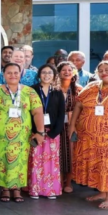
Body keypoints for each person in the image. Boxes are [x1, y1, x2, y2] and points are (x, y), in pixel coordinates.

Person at [68, 60, 108, 210]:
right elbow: (78, 105)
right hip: (89, 137)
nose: (103, 73)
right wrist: (72, 126)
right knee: (98, 164)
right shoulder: (91, 87)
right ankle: (102, 193)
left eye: (107, 70)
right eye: (101, 70)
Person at [0, 63, 45, 203]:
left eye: (16, 73)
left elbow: (37, 112)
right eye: (9, 73)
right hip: (0, 136)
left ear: (20, 74)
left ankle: (17, 189)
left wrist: (40, 132)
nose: (12, 75)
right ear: (4, 75)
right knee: (1, 161)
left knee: (20, 162)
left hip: (22, 136)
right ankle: (4, 188)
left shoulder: (29, 92)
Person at [28, 64, 65, 199]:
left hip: (52, 132)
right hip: (35, 132)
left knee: (51, 162)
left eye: (50, 73)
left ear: (54, 75)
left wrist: (54, 132)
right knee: (36, 161)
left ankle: (50, 190)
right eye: (44, 72)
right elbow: (27, 112)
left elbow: (62, 113)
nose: (46, 75)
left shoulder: (57, 91)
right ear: (39, 75)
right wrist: (36, 131)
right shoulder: (31, 90)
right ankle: (35, 190)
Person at [57, 61, 83, 193]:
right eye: (63, 70)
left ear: (74, 73)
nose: (67, 72)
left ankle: (68, 182)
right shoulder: (54, 88)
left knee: (71, 153)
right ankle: (59, 181)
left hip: (73, 125)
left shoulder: (79, 89)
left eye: (69, 70)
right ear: (59, 73)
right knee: (59, 153)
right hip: (57, 126)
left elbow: (83, 109)